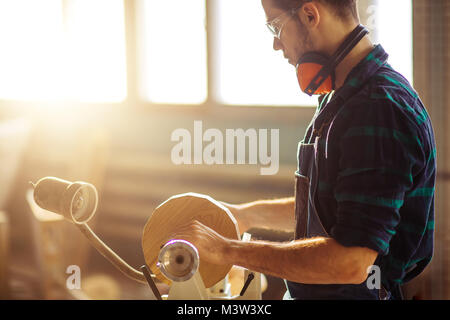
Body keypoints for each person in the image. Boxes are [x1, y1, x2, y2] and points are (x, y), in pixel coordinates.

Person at [172, 0, 436, 300]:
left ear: (310, 14)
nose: (275, 44)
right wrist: (240, 215)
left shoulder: (377, 108)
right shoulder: (342, 96)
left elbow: (351, 263)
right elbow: (328, 210)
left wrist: (227, 250)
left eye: (276, 26)